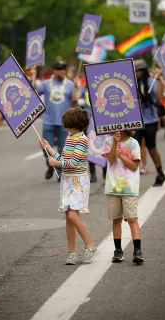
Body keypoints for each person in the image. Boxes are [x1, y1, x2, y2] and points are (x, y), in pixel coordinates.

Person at [39, 107, 98, 265]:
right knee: (68, 217)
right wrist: (49, 148)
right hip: (68, 181)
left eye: (65, 119)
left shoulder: (82, 140)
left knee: (73, 215)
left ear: (72, 122)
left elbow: (73, 162)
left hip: (78, 182)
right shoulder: (70, 137)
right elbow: (63, 157)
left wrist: (56, 163)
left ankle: (90, 245)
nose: (62, 121)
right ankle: (72, 252)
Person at [102, 131, 144, 264]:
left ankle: (137, 250)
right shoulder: (108, 141)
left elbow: (134, 166)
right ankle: (118, 250)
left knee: (132, 219)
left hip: (129, 188)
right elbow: (110, 159)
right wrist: (115, 142)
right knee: (116, 220)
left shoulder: (134, 143)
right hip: (113, 187)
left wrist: (122, 156)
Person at [34, 61, 78, 181]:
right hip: (48, 120)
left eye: (64, 68)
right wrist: (33, 75)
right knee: (45, 148)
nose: (62, 70)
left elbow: (74, 100)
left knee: (62, 148)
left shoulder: (69, 84)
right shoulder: (46, 83)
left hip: (64, 123)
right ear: (53, 70)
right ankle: (50, 165)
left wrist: (76, 89)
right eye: (59, 68)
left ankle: (59, 171)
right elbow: (34, 93)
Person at [134, 59, 165, 186]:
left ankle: (160, 172)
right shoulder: (131, 84)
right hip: (136, 122)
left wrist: (158, 79)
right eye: (134, 71)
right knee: (134, 149)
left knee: (152, 148)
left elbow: (159, 96)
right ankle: (132, 177)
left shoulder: (151, 82)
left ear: (143, 71)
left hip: (150, 121)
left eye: (137, 71)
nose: (135, 73)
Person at [77, 84, 107, 182]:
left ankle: (105, 172)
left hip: (101, 120)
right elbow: (75, 97)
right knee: (89, 147)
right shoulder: (84, 89)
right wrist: (77, 87)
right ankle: (93, 174)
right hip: (88, 123)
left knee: (104, 145)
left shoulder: (102, 87)